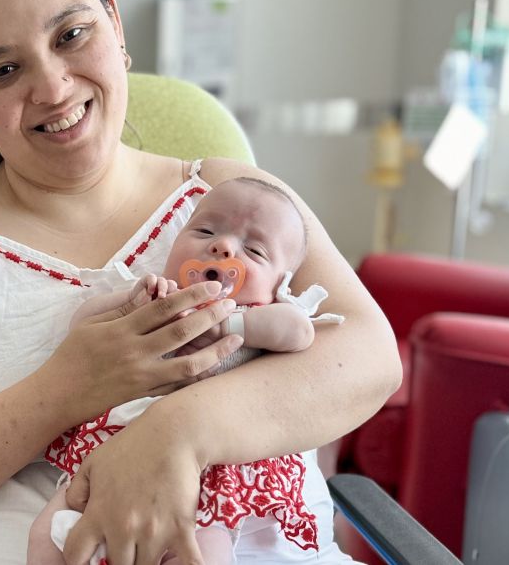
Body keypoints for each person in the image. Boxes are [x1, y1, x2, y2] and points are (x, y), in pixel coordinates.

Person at [0, 0, 399, 565]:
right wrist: (65, 388)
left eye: (72, 35)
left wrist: (175, 435)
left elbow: (369, 358)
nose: (51, 87)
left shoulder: (234, 200)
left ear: (115, 24)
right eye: (3, 70)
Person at [31, 176, 349, 564]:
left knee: (202, 553)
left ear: (279, 285)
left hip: (202, 474)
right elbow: (80, 325)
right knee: (46, 535)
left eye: (254, 250)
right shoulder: (151, 297)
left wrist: (226, 325)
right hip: (110, 451)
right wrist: (132, 305)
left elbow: (299, 332)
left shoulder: (258, 316)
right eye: (205, 230)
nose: (224, 246)